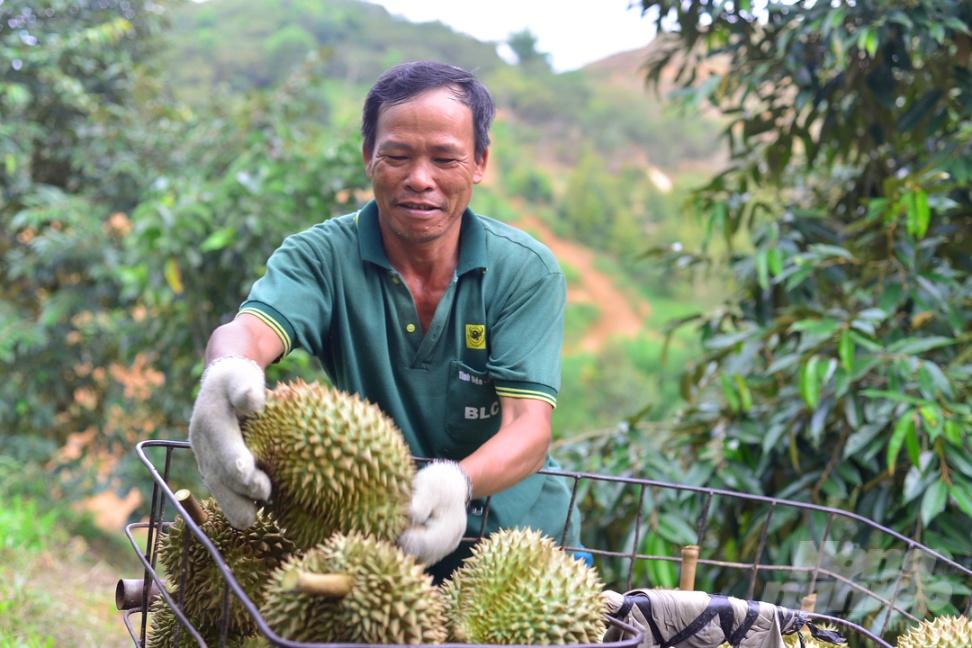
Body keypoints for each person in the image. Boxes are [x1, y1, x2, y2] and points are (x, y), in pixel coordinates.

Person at [188, 60, 578, 580]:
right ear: (369, 156)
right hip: (380, 549)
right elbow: (251, 330)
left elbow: (529, 426)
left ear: (479, 162)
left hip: (522, 550)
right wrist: (226, 370)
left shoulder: (523, 271)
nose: (420, 179)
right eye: (397, 155)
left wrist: (455, 484)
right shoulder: (321, 257)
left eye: (445, 158)